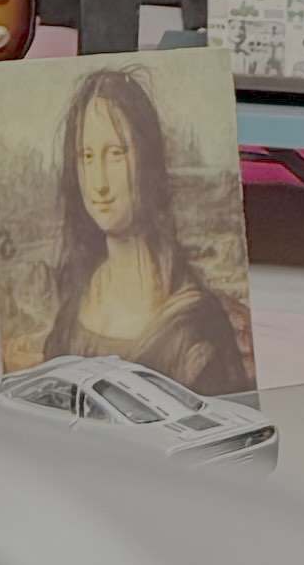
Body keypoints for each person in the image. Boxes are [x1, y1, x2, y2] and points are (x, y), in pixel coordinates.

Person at [57, 62, 256, 396]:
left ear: (147, 158)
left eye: (116, 153)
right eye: (86, 157)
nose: (99, 182)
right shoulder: (77, 301)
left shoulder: (194, 330)